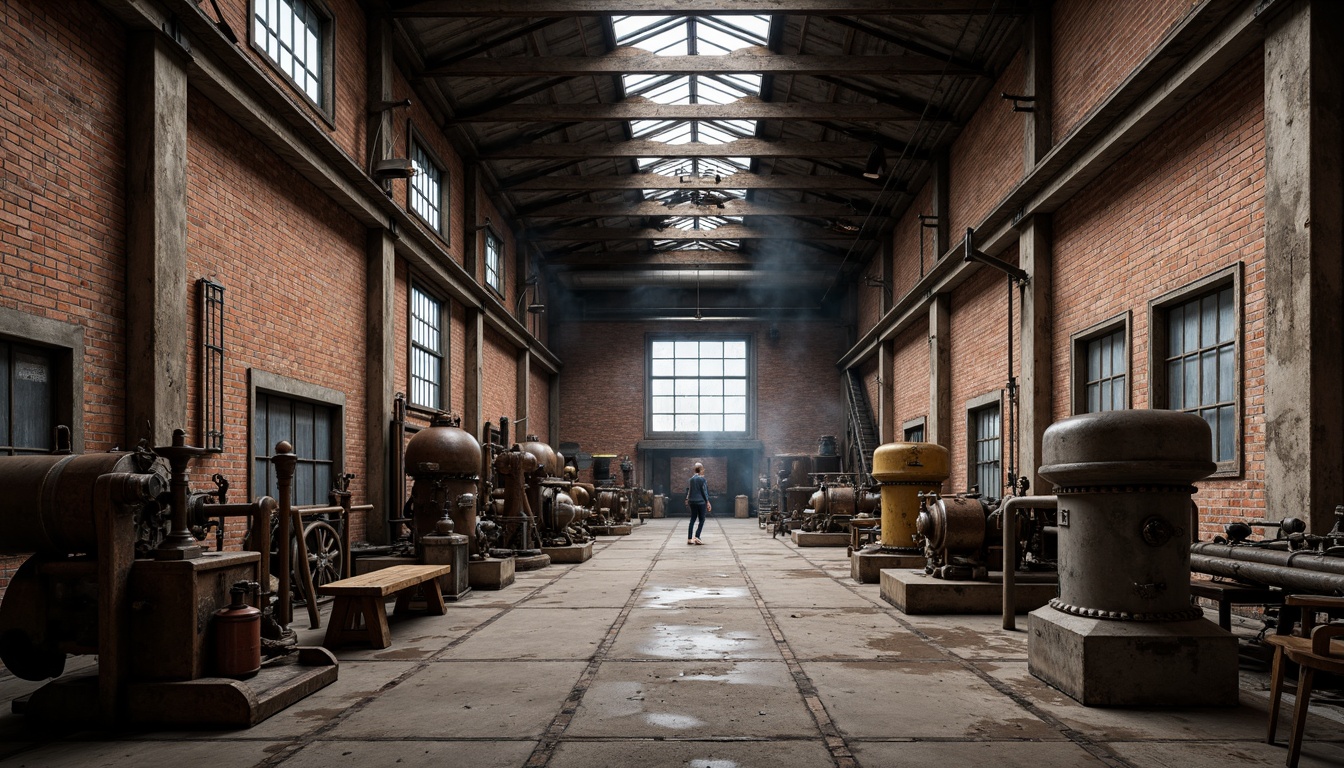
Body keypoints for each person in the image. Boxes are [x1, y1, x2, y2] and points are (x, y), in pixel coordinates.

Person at [685, 462, 710, 545]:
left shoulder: (691, 479)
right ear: (701, 469)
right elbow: (704, 491)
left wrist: (687, 499)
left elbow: (689, 490)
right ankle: (697, 537)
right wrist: (707, 502)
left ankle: (689, 538)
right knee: (702, 519)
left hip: (692, 502)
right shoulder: (702, 479)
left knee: (692, 519)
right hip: (701, 502)